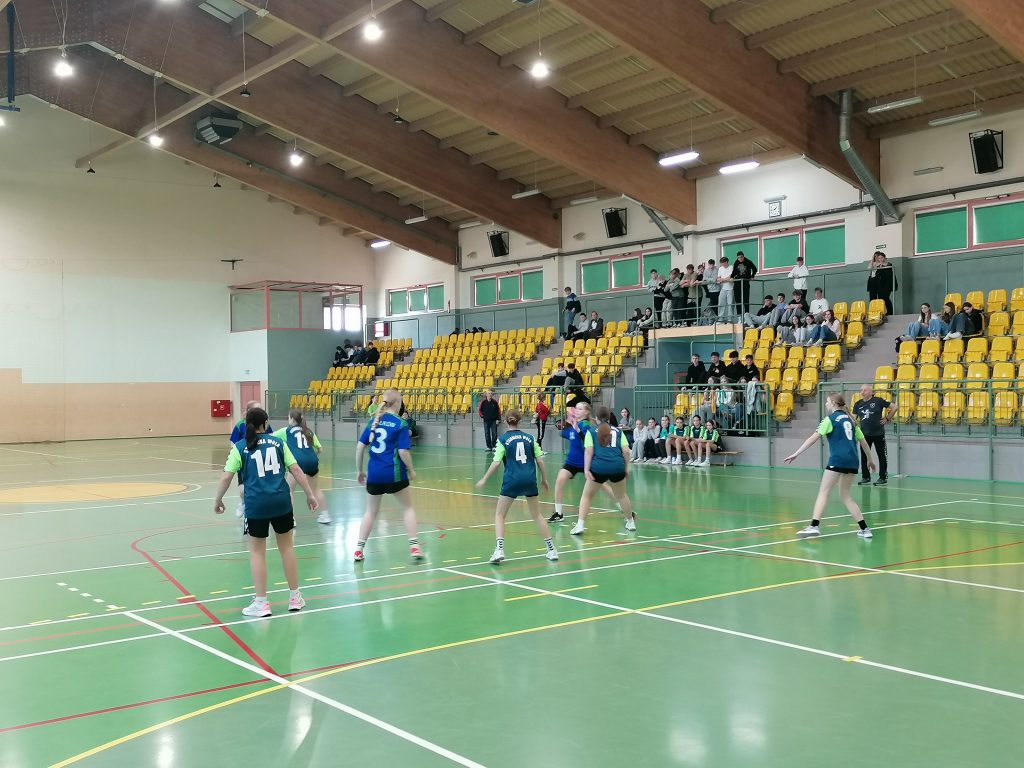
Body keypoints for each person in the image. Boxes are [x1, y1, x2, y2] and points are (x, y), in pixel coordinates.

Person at [213, 407, 317, 617]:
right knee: (287, 548)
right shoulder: (279, 443)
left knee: (257, 553)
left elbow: (226, 477)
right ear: (266, 423)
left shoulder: (240, 447)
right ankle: (295, 598)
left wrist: (218, 499)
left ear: (246, 424)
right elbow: (296, 469)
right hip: (281, 503)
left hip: (256, 505)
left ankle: (261, 603)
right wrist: (309, 494)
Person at [785, 392, 876, 539]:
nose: (826, 404)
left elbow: (813, 438)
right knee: (846, 496)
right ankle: (865, 529)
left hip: (837, 460)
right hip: (853, 462)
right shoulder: (851, 420)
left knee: (824, 492)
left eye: (827, 401)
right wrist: (870, 460)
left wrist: (797, 453)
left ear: (833, 403)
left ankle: (814, 526)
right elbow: (864, 443)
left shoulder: (830, 419)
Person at [476, 409, 558, 563]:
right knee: (537, 515)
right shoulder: (530, 438)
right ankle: (552, 550)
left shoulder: (502, 440)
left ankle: (499, 550)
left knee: (500, 515)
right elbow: (540, 460)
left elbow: (496, 462)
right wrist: (544, 479)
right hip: (529, 480)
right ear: (520, 421)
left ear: (506, 421)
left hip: (512, 480)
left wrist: (484, 478)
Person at [354, 389, 422, 562]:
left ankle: (359, 549)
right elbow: (403, 452)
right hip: (394, 474)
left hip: (374, 475)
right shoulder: (400, 424)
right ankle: (414, 547)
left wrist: (359, 470)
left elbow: (360, 447)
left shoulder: (374, 421)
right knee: (408, 508)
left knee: (370, 512)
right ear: (398, 403)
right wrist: (412, 470)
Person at [572, 406, 637, 536]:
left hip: (598, 467)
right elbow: (626, 451)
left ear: (596, 418)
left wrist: (586, 469)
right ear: (609, 417)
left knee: (586, 496)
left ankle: (580, 525)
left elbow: (589, 451)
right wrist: (626, 468)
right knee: (622, 496)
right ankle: (630, 522)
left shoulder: (591, 431)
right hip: (617, 467)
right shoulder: (618, 431)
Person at [273, 409, 330, 525]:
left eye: (288, 418)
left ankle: (290, 519)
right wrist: (310, 456)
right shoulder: (308, 431)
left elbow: (271, 438)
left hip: (297, 462)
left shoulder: (286, 431)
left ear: (292, 419)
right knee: (315, 489)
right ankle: (325, 515)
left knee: (289, 490)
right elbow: (320, 449)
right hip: (312, 461)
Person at [548, 402, 600, 522]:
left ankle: (623, 509)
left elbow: (587, 440)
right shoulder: (574, 425)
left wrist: (577, 429)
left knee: (603, 486)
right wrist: (567, 423)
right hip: (572, 462)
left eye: (580, 409)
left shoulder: (586, 425)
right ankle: (558, 513)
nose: (577, 410)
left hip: (587, 462)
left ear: (586, 412)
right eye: (576, 408)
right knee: (560, 480)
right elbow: (564, 433)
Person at [853, 384, 897, 486]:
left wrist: (887, 418)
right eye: (861, 390)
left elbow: (895, 407)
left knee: (882, 456)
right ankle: (865, 477)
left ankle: (883, 477)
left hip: (878, 434)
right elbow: (853, 418)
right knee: (864, 456)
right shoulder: (858, 404)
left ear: (871, 392)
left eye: (865, 390)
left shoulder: (878, 401)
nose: (862, 392)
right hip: (864, 435)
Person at [230, 400, 268, 519]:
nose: (259, 410)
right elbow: (233, 442)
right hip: (246, 459)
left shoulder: (264, 423)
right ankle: (243, 503)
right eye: (257, 408)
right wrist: (237, 456)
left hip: (261, 459)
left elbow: (271, 437)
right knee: (243, 486)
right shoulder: (240, 425)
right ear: (248, 411)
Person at [731, 251, 758, 316]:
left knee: (746, 300)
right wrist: (732, 277)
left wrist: (752, 276)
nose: (740, 259)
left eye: (741, 257)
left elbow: (754, 269)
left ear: (743, 256)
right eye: (738, 258)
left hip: (745, 282)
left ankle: (746, 315)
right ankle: (739, 316)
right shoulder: (736, 262)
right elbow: (734, 271)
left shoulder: (748, 261)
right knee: (738, 300)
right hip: (737, 283)